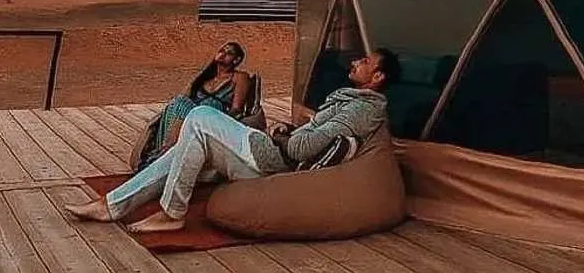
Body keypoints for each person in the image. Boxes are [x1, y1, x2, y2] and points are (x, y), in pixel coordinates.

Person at [66, 48, 401, 233]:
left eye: (365, 61)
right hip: (268, 153)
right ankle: (112, 206)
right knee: (191, 143)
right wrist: (293, 131)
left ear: (377, 77)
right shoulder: (351, 101)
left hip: (273, 160)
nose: (356, 61)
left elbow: (302, 148)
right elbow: (311, 137)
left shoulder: (361, 110)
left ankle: (171, 212)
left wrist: (284, 133)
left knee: (199, 118)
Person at [132, 41, 263, 171]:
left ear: (236, 60)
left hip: (210, 116)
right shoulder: (206, 78)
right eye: (222, 50)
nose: (223, 54)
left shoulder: (239, 77)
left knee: (206, 104)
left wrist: (223, 124)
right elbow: (185, 97)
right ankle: (168, 151)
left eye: (229, 53)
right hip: (188, 119)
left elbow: (237, 108)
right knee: (179, 102)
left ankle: (167, 155)